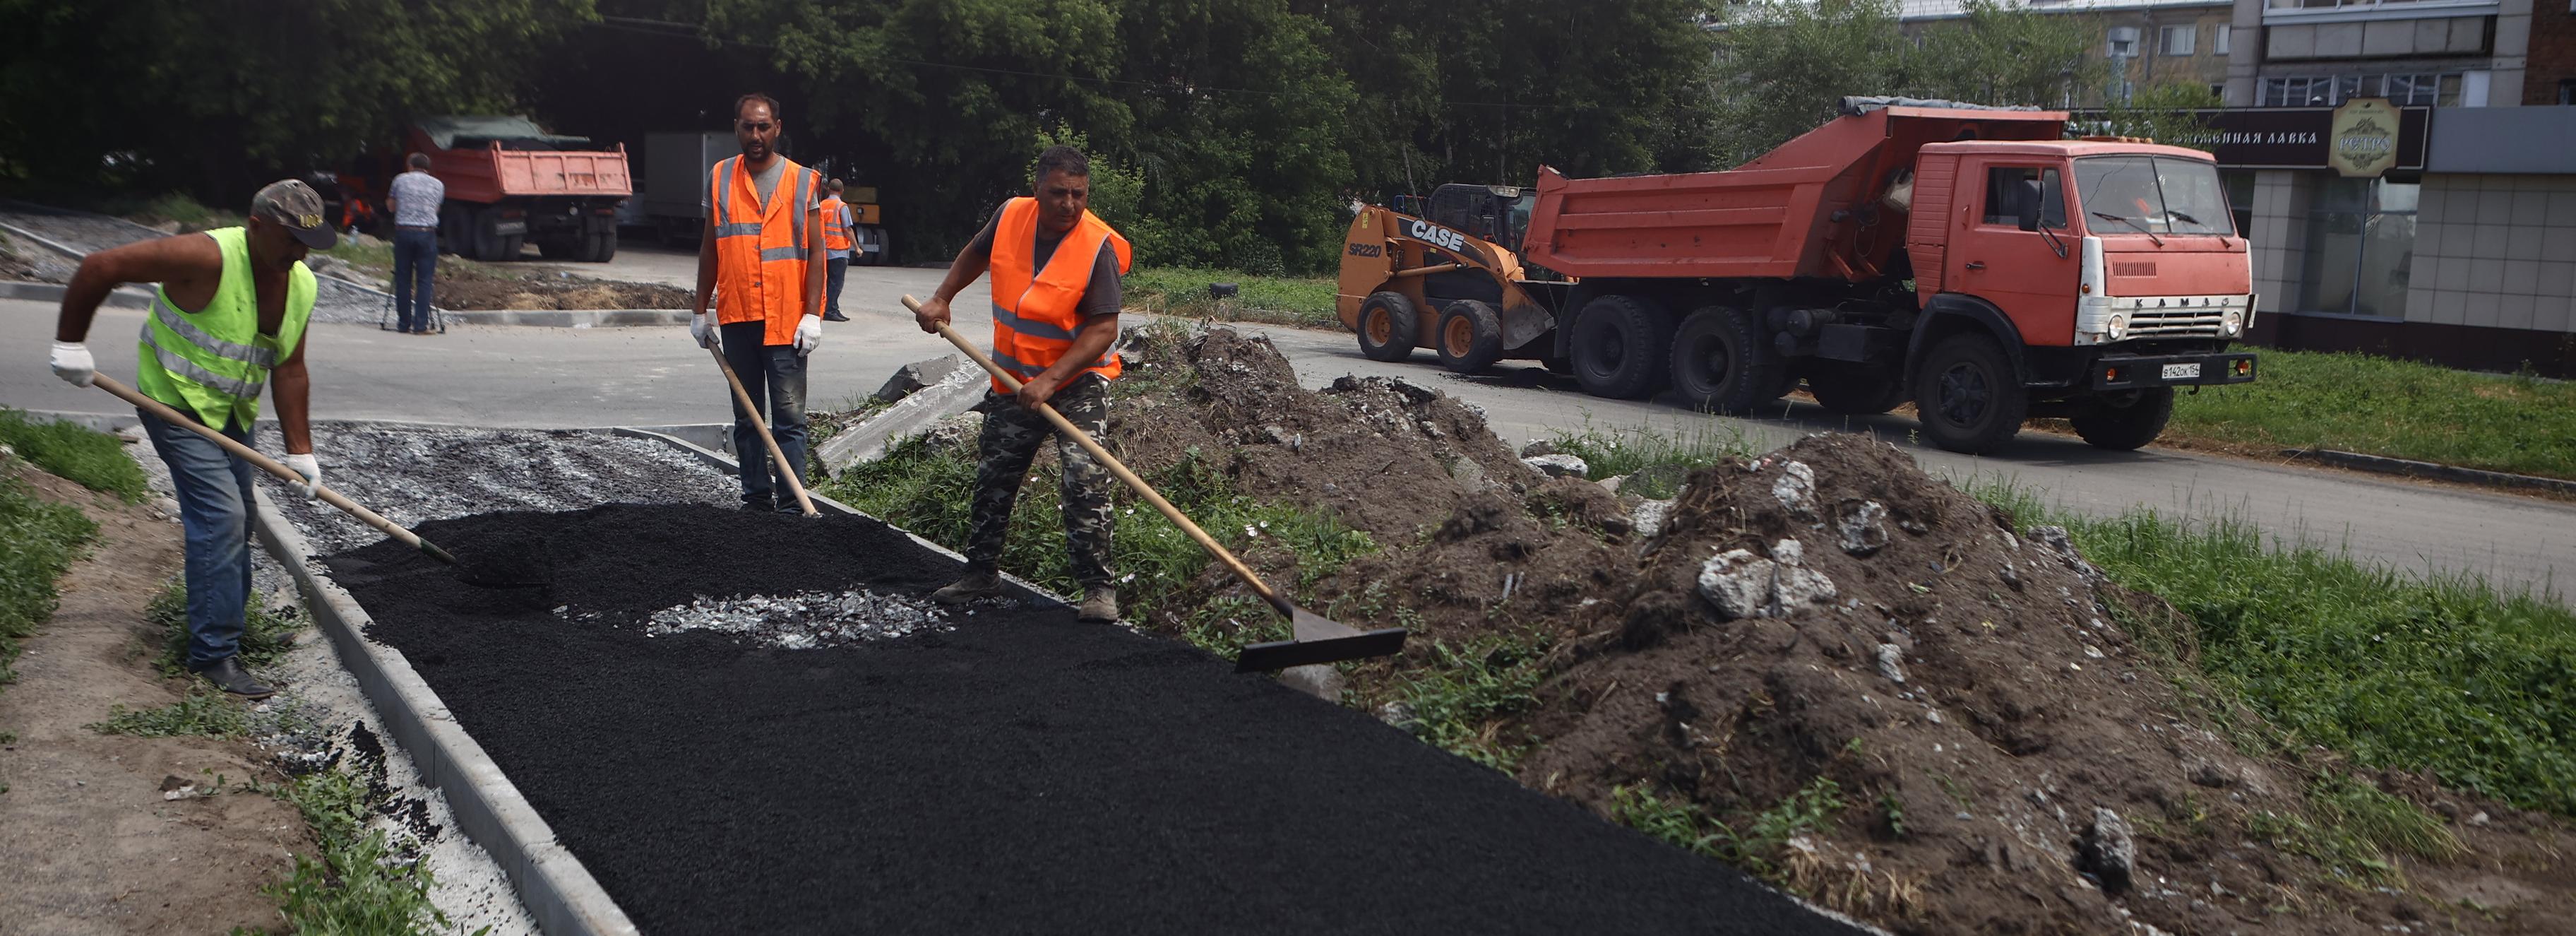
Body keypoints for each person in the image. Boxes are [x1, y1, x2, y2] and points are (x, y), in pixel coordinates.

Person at [47, 180, 335, 699]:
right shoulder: (204, 255)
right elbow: (99, 267)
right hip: (173, 406)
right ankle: (214, 654)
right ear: (257, 227)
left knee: (243, 516)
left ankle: (232, 629)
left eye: (307, 243)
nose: (300, 253)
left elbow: (289, 368)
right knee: (220, 518)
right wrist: (70, 344)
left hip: (230, 415)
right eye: (290, 240)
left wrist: (302, 451)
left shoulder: (301, 284)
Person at [912, 145, 1130, 623]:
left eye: (1078, 194)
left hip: (1076, 379)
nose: (1069, 205)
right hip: (1014, 377)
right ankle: (981, 572)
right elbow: (977, 252)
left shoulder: (1098, 247)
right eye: (1058, 194)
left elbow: (1103, 330)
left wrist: (1052, 381)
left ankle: (1098, 588)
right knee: (995, 474)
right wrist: (941, 297)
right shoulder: (1011, 216)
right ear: (1037, 190)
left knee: (1085, 475)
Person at [691, 93, 827, 513]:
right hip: (739, 318)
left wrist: (813, 314)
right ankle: (755, 502)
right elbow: (711, 246)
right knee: (747, 420)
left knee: (789, 422)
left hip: (787, 322)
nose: (755, 134)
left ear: (778, 129)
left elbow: (818, 251)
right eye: (748, 126)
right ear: (736, 127)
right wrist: (699, 309)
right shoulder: (719, 177)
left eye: (763, 126)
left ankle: (791, 507)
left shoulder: (803, 180)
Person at [385, 152, 444, 334]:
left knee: (403, 279)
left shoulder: (399, 180)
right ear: (427, 168)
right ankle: (420, 326)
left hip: (404, 232)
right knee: (425, 280)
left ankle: (403, 324)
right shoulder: (438, 184)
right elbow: (436, 208)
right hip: (426, 234)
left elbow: (391, 207)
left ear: (410, 166)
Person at [818, 178, 855, 322]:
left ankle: (829, 308)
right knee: (837, 282)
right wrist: (857, 247)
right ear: (842, 190)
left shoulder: (821, 205)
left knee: (827, 283)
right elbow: (847, 228)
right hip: (838, 250)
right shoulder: (841, 206)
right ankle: (831, 310)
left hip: (823, 250)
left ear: (829, 189)